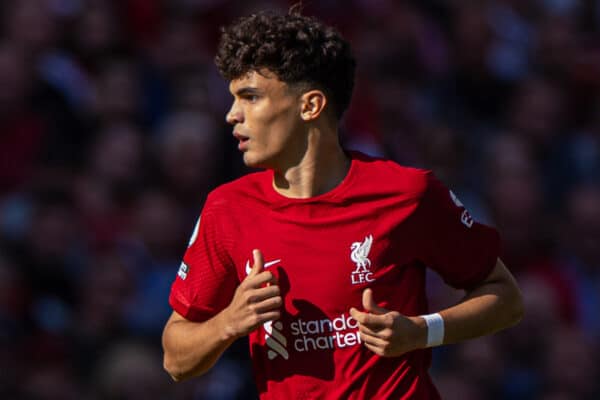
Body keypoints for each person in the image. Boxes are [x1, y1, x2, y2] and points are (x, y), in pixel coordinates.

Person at [162, 7, 524, 399]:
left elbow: (506, 298)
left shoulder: (408, 194)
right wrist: (229, 322)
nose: (232, 115)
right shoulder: (227, 209)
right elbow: (175, 359)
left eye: (250, 97)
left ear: (310, 106)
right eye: (234, 99)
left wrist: (421, 331)